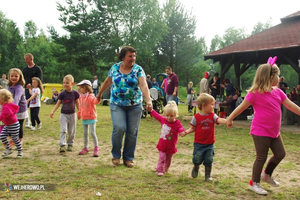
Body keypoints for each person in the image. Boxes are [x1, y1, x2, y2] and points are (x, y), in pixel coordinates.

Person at [226, 57, 300, 195]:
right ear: (271, 77)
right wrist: (230, 118)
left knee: (280, 154)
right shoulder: (255, 94)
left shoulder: (278, 92)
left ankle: (266, 175)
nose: (279, 77)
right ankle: (254, 183)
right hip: (260, 131)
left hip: (274, 131)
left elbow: (290, 105)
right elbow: (241, 108)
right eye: (277, 75)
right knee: (261, 156)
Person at [96, 46, 152, 168]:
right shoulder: (115, 68)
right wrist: (100, 93)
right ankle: (116, 155)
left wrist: (148, 100)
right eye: (130, 56)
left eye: (134, 56)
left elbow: (143, 85)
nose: (133, 58)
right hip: (117, 103)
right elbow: (108, 81)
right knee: (119, 127)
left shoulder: (138, 70)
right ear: (123, 57)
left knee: (132, 131)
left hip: (135, 105)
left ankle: (128, 157)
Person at [181, 93, 227, 181]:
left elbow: (219, 120)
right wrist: (186, 132)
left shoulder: (213, 116)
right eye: (212, 104)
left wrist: (227, 121)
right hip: (199, 144)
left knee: (209, 160)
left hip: (210, 144)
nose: (213, 107)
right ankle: (196, 167)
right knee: (197, 158)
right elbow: (193, 128)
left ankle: (208, 175)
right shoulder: (196, 117)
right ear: (204, 105)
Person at [149, 101, 185, 176]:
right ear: (164, 115)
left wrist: (182, 132)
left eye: (171, 116)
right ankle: (159, 170)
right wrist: (151, 111)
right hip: (163, 144)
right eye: (167, 115)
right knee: (162, 157)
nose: (169, 118)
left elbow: (180, 128)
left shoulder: (177, 123)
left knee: (168, 159)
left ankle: (166, 168)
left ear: (175, 115)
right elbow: (157, 116)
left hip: (171, 145)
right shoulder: (163, 120)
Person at [50, 74, 80, 153]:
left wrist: (79, 112)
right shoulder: (62, 94)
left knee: (71, 131)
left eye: (67, 83)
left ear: (72, 84)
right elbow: (58, 104)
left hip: (73, 115)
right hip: (64, 115)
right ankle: (62, 145)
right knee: (63, 130)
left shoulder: (75, 93)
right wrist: (52, 112)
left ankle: (70, 144)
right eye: (64, 83)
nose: (65, 84)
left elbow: (78, 103)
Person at [77, 80, 100, 157]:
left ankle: (96, 148)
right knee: (85, 133)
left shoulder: (90, 96)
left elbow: (95, 101)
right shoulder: (81, 97)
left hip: (91, 117)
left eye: (81, 87)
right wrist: (79, 113)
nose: (79, 89)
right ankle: (86, 147)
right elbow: (81, 106)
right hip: (84, 118)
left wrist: (99, 97)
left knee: (92, 133)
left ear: (86, 88)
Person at [7, 68, 28, 146]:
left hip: (20, 110)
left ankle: (20, 141)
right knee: (9, 125)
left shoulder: (19, 87)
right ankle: (12, 140)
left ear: (20, 77)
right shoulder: (9, 86)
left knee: (19, 126)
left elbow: (17, 98)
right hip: (10, 110)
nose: (14, 78)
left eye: (16, 76)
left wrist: (13, 109)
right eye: (12, 76)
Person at [0, 89, 23, 158]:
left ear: (3, 99)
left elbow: (4, 115)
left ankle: (20, 151)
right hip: (8, 125)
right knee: (2, 136)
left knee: (15, 138)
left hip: (13, 125)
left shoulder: (6, 107)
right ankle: (8, 149)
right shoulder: (6, 105)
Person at [23, 53, 43, 128]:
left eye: (27, 59)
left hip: (35, 90)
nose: (26, 61)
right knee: (26, 106)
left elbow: (40, 80)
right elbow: (23, 79)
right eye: (25, 59)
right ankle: (28, 121)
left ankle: (36, 121)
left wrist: (33, 86)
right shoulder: (25, 69)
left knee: (34, 106)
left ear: (31, 59)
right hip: (27, 89)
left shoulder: (37, 69)